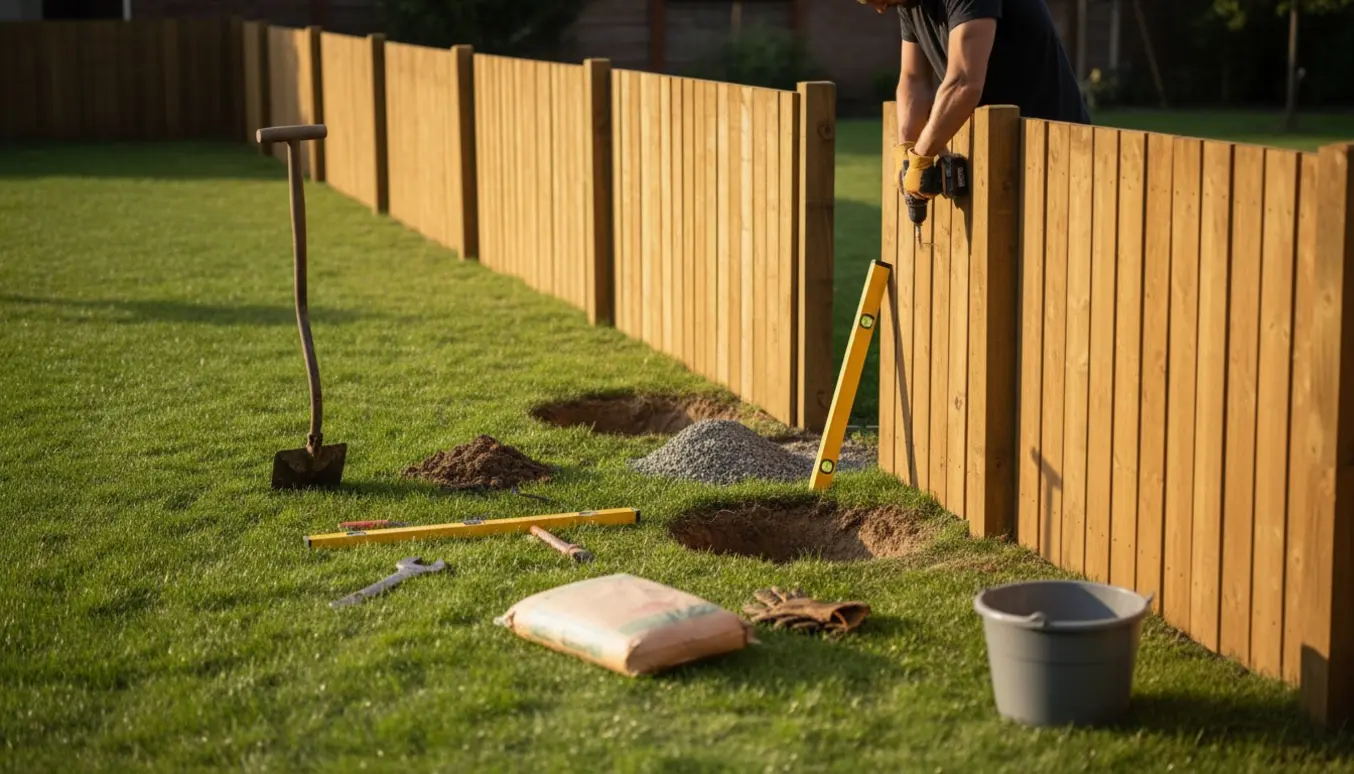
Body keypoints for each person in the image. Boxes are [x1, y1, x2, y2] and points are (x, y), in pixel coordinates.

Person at [857, 0, 1090, 200]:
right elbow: (913, 79)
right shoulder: (909, 3)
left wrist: (922, 155)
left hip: (1056, 150)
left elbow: (964, 83)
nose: (878, 8)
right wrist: (907, 154)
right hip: (1002, 151)